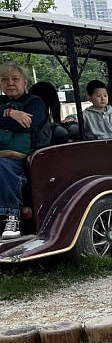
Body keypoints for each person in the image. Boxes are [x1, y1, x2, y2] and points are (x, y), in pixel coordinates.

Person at [0, 62, 48, 239]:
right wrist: (10, 113)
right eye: (5, 80)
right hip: (4, 151)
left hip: (29, 155)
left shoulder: (34, 102)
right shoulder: (1, 102)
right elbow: (12, 123)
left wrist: (8, 116)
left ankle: (13, 216)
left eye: (15, 79)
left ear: (25, 83)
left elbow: (26, 126)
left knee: (4, 166)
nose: (10, 83)